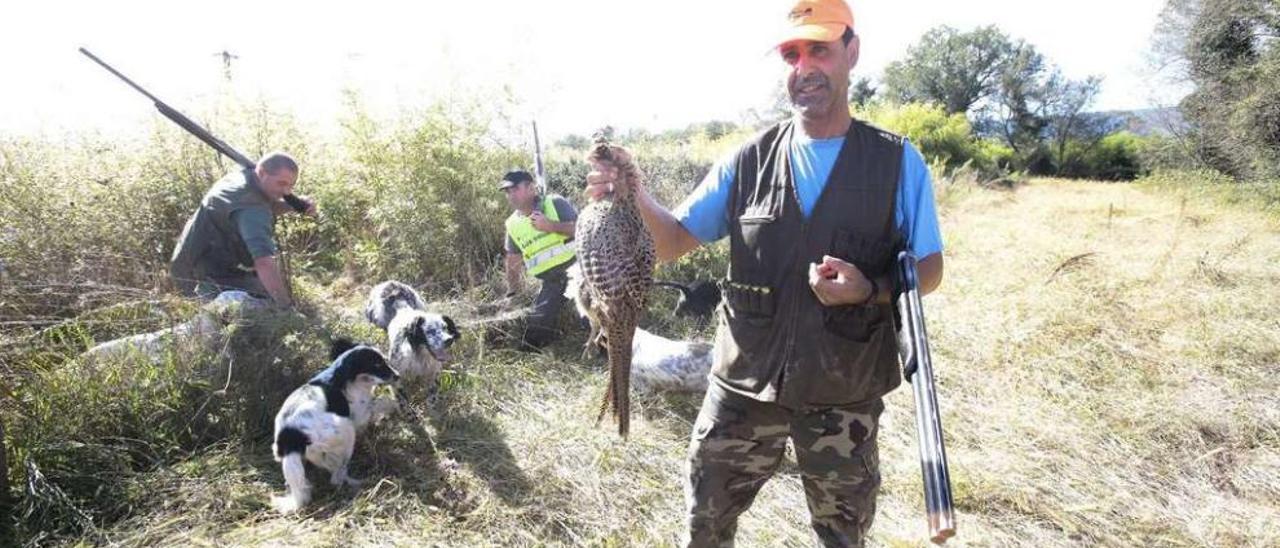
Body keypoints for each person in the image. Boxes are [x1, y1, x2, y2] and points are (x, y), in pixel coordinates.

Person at [583, 1, 945, 545]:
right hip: (743, 385)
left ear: (853, 52)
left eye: (819, 49)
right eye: (791, 54)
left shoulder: (896, 162)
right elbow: (675, 240)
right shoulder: (746, 159)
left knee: (843, 536)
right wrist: (632, 191)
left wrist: (871, 289)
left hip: (843, 392)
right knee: (705, 525)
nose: (803, 66)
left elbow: (930, 268)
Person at [170, 152, 315, 307]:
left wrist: (293, 206)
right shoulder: (251, 208)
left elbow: (263, 205)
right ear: (261, 173)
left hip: (188, 264)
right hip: (202, 281)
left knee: (268, 288)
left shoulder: (244, 178)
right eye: (281, 183)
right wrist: (287, 309)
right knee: (264, 303)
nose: (287, 192)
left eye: (291, 186)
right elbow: (264, 262)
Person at [499, 170, 579, 348]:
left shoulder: (555, 203)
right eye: (507, 192)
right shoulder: (512, 224)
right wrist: (512, 293)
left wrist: (551, 226)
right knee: (535, 332)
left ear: (530, 188)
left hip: (578, 273)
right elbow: (513, 261)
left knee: (594, 316)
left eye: (514, 189)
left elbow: (583, 229)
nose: (510, 195)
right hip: (551, 282)